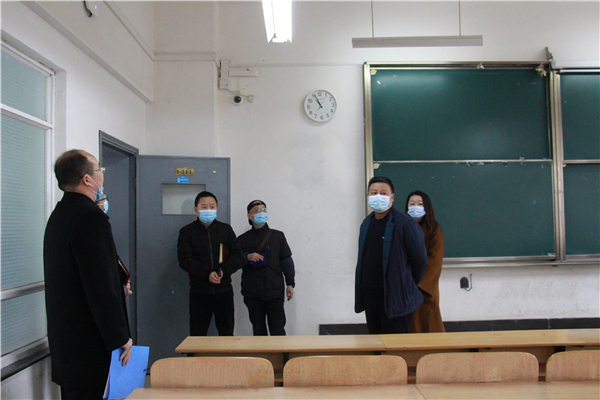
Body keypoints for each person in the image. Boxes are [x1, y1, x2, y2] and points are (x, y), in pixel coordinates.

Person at [43, 150, 132, 400]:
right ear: (86, 179)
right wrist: (119, 336)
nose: (102, 176)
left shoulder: (59, 215)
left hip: (67, 341)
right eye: (99, 170)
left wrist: (119, 287)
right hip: (90, 343)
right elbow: (98, 286)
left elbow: (74, 276)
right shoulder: (91, 217)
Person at [354, 176, 428, 334]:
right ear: (368, 196)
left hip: (396, 297)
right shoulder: (366, 223)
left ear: (392, 197)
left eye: (383, 193)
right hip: (371, 296)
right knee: (375, 342)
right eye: (374, 193)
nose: (378, 196)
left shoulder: (405, 223)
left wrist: (405, 283)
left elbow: (420, 261)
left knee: (395, 345)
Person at [177, 191, 243, 336]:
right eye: (204, 207)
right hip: (199, 292)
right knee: (197, 335)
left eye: (212, 207)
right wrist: (207, 273)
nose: (208, 210)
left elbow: (237, 256)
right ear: (196, 209)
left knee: (227, 334)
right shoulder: (187, 232)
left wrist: (223, 271)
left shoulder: (226, 230)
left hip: (224, 291)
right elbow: (185, 260)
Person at [237, 200, 295, 336]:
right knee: (258, 331)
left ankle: (280, 351)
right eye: (257, 211)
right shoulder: (242, 239)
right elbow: (235, 262)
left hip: (274, 291)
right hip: (252, 293)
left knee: (278, 330)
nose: (261, 213)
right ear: (249, 216)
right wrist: (247, 257)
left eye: (263, 210)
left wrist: (290, 283)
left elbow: (287, 261)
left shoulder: (278, 236)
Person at [405, 191, 446, 333]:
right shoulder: (402, 227)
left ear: (426, 207)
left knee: (428, 322)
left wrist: (418, 284)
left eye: (420, 204)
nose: (415, 206)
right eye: (412, 204)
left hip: (425, 287)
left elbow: (435, 260)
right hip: (405, 285)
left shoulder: (434, 229)